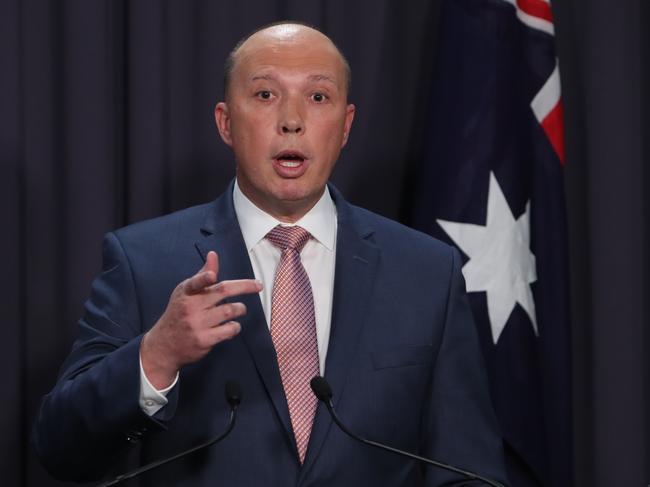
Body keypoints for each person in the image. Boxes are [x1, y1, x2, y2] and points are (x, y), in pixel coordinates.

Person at [32, 22, 508, 486]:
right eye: (265, 95)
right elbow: (61, 450)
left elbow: (469, 470)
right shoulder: (144, 261)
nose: (292, 120)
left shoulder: (426, 271)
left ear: (345, 126)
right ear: (225, 123)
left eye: (318, 97)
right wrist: (156, 355)